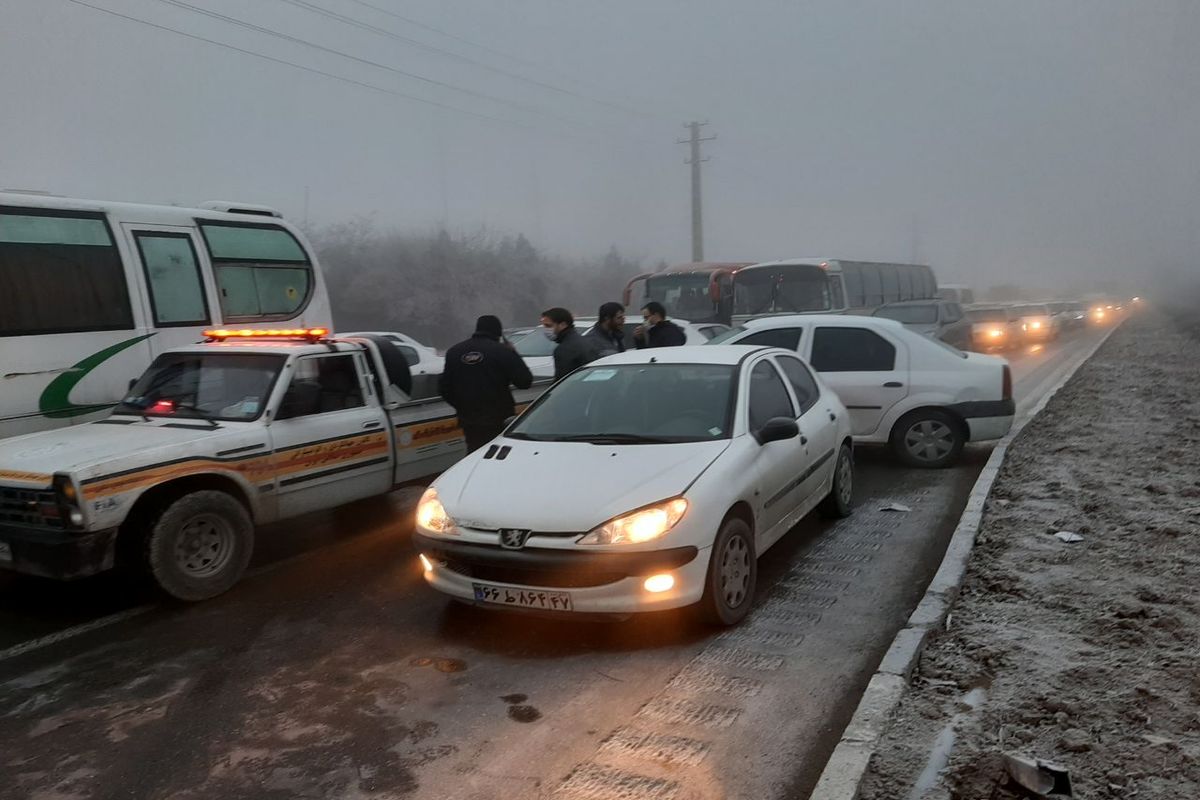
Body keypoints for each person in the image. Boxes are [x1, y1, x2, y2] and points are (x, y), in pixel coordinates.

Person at [439, 315, 534, 453]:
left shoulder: (454, 351)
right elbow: (525, 381)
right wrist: (514, 353)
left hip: (469, 419)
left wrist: (462, 406)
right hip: (499, 417)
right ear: (498, 332)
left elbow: (444, 387)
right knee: (499, 455)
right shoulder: (502, 351)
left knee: (474, 454)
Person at [541, 307, 600, 379]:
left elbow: (562, 381)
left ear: (563, 324)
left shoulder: (564, 349)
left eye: (548, 326)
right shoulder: (584, 341)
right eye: (544, 326)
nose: (545, 329)